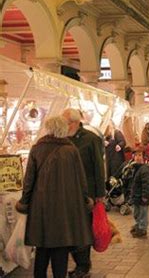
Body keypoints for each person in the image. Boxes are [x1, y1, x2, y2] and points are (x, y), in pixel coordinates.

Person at [16, 116, 93, 278]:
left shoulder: (37, 148)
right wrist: (86, 200)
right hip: (65, 207)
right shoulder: (71, 150)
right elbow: (81, 179)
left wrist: (24, 202)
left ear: (48, 129)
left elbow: (29, 180)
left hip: (41, 206)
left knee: (42, 248)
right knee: (61, 249)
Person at [62, 109, 105, 278]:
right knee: (72, 229)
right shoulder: (63, 139)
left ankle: (83, 265)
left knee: (83, 229)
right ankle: (80, 262)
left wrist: (100, 193)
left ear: (73, 123)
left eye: (65, 123)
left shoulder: (91, 139)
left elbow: (98, 167)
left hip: (87, 193)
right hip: (67, 192)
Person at [129, 147, 149, 238]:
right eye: (136, 155)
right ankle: (138, 225)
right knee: (137, 213)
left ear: (144, 157)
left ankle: (142, 229)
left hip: (143, 198)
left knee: (143, 213)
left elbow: (146, 184)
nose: (138, 157)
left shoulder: (145, 169)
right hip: (137, 197)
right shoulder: (135, 168)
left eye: (140, 155)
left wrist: (145, 196)